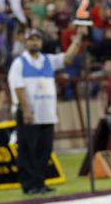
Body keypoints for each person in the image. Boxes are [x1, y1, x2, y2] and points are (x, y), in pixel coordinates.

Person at [8, 27, 84, 195]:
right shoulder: (19, 63)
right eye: (31, 39)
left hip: (46, 114)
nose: (35, 42)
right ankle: (29, 185)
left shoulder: (47, 60)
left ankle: (40, 182)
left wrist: (78, 38)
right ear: (25, 42)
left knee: (44, 149)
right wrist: (26, 110)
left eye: (37, 39)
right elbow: (18, 88)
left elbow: (68, 58)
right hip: (30, 113)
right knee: (28, 150)